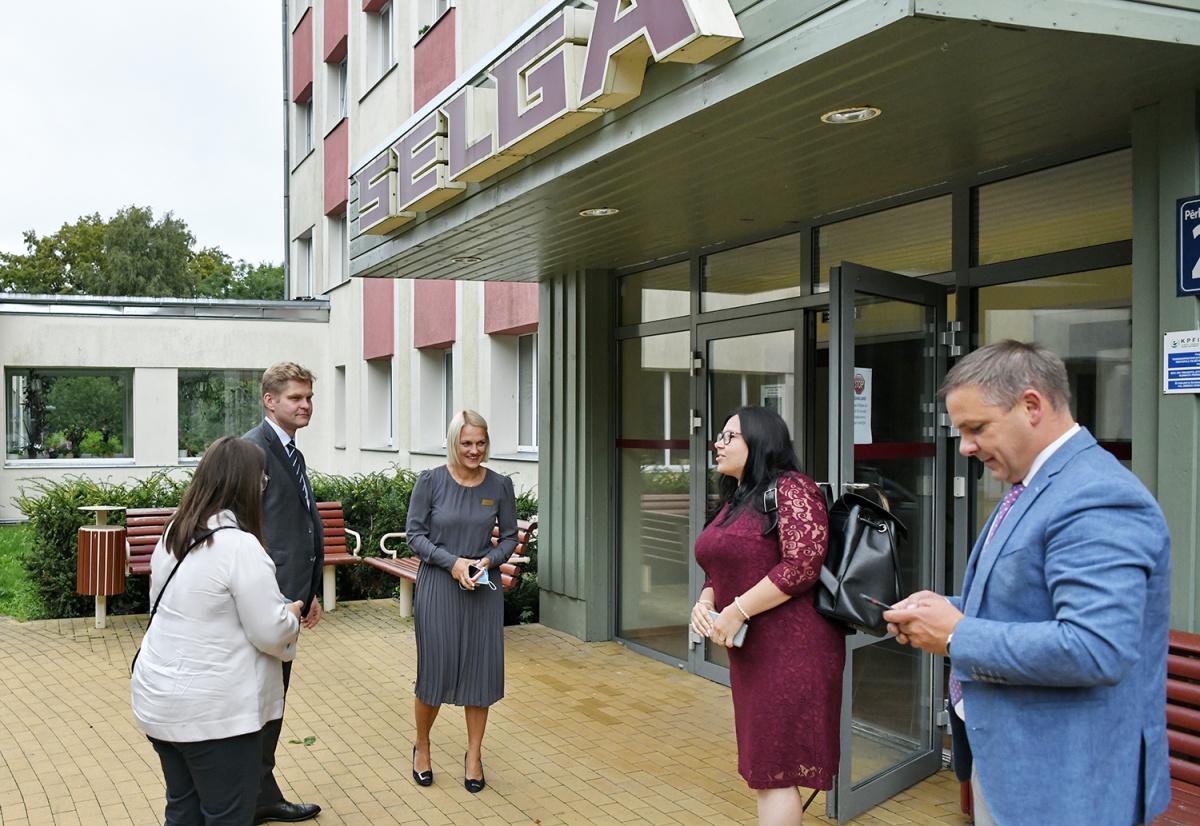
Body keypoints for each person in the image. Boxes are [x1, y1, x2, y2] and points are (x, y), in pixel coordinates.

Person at [883, 340, 1171, 826]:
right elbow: (1033, 601)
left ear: (1032, 406)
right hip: (1018, 766)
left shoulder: (1096, 494)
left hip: (1067, 783)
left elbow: (1096, 647)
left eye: (976, 428)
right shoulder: (1040, 481)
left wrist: (955, 634)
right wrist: (945, 609)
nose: (965, 446)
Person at [132, 436, 304, 826]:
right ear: (244, 485)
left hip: (160, 700)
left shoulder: (174, 532)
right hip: (215, 714)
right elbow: (270, 632)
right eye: (262, 481)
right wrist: (291, 614)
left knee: (183, 810)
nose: (262, 490)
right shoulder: (239, 546)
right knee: (227, 816)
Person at [689, 405, 845, 826]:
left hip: (793, 651)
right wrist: (706, 602)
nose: (717, 444)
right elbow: (721, 566)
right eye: (719, 436)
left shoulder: (793, 489)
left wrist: (737, 610)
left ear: (760, 441)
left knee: (775, 771)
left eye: (729, 436)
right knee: (765, 767)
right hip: (755, 652)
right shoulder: (739, 496)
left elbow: (802, 565)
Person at [407, 410, 518, 794]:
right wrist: (452, 563)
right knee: (434, 672)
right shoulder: (430, 481)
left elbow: (509, 538)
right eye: (467, 443)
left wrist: (488, 561)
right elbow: (415, 536)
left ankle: (474, 756)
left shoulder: (500, 485)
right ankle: (423, 745)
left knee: (480, 673)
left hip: (482, 589)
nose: (474, 450)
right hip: (439, 585)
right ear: (454, 443)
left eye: (480, 443)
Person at [243, 363, 324, 824]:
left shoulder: (291, 451)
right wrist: (274, 596)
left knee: (273, 701)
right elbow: (243, 532)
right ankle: (249, 799)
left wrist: (309, 591)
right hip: (265, 605)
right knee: (260, 704)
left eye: (309, 397)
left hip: (289, 601)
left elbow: (296, 526)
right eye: (296, 397)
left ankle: (260, 794)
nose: (306, 405)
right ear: (270, 401)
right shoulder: (253, 451)